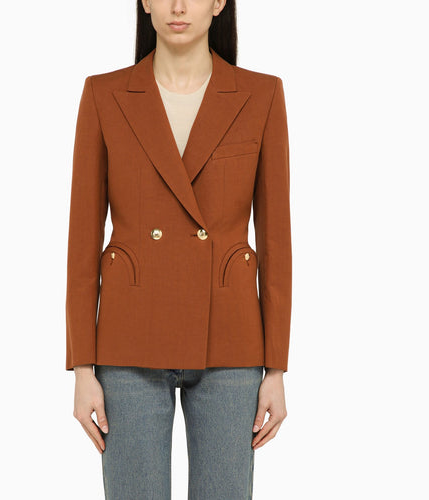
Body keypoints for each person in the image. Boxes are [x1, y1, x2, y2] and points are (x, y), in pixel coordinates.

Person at [65, 1, 292, 498]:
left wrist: (276, 367)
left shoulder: (261, 94)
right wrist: (82, 367)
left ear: (219, 3)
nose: (179, 6)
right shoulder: (104, 94)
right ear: (145, 2)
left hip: (231, 343)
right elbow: (82, 242)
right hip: (128, 342)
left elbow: (276, 242)